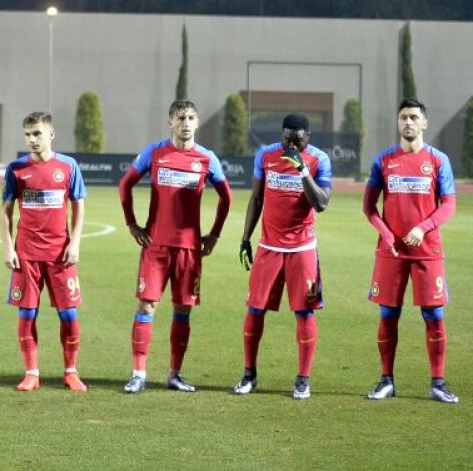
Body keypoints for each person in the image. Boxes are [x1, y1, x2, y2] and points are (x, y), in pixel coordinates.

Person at [118, 99, 231, 394]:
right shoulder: (154, 152)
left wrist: (214, 235)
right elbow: (125, 185)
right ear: (170, 122)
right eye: (180, 118)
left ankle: (174, 375)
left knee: (183, 310)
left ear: (197, 122)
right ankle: (138, 374)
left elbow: (226, 197)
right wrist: (132, 223)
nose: (186, 123)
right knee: (147, 305)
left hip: (189, 249)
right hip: (155, 245)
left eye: (191, 117)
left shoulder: (207, 158)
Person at [363, 98, 459, 403]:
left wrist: (423, 228)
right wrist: (386, 234)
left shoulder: (438, 160)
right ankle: (386, 381)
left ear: (424, 123)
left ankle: (438, 383)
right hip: (391, 253)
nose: (408, 122)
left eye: (414, 117)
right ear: (398, 122)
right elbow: (369, 207)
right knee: (388, 314)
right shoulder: (383, 160)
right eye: (403, 117)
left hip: (427, 251)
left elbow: (449, 205)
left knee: (434, 315)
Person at [234, 114, 331, 400]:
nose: (292, 145)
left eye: (298, 140)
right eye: (287, 139)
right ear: (281, 134)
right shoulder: (265, 155)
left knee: (304, 312)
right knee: (255, 310)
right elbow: (256, 199)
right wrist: (245, 239)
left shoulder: (319, 160)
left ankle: (303, 379)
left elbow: (321, 203)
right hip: (269, 248)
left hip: (302, 249)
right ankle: (249, 374)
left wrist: (302, 170)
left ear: (308, 137)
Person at [0, 111, 87, 392]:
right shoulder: (16, 169)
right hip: (26, 254)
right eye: (27, 134)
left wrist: (75, 242)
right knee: (27, 315)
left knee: (69, 315)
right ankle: (31, 373)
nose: (32, 139)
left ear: (51, 134)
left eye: (37, 133)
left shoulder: (68, 166)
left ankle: (71, 372)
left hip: (60, 255)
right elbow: (5, 211)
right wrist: (8, 246)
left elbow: (79, 206)